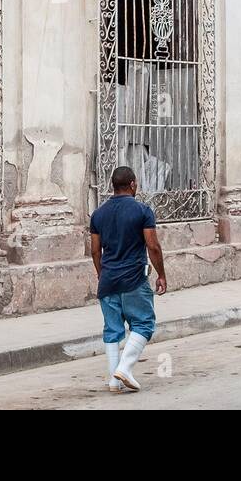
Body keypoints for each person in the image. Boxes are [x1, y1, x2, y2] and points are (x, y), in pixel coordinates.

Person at [90, 165, 167, 393]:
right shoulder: (143, 211)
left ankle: (114, 382)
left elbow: (95, 251)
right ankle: (124, 368)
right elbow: (152, 246)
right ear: (133, 184)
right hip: (134, 278)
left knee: (112, 330)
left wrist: (102, 274)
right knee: (144, 324)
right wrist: (161, 274)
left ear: (112, 186)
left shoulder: (98, 214)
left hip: (108, 280)